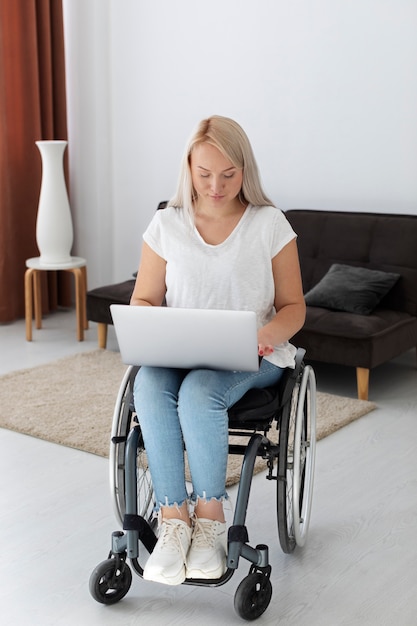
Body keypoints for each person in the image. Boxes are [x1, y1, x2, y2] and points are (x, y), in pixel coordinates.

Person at [130, 115, 306, 586]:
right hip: (179, 352)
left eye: (228, 175)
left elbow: (294, 308)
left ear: (245, 170)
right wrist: (146, 321)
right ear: (188, 167)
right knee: (148, 384)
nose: (215, 186)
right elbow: (144, 299)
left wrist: (266, 332)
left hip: (253, 357)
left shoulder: (269, 224)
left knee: (199, 393)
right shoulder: (166, 224)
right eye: (204, 174)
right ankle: (173, 519)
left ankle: (209, 520)